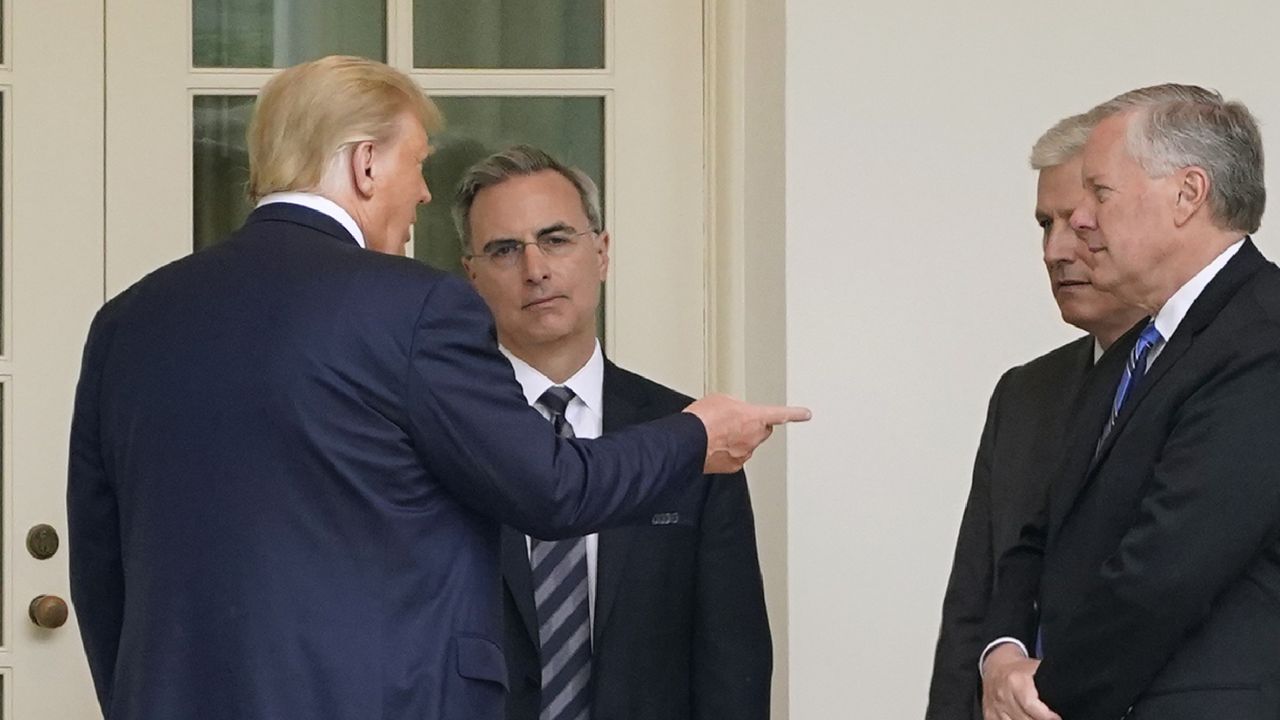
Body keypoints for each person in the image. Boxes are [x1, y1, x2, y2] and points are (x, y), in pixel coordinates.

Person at [66, 55, 807, 720]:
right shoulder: (414, 306)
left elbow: (102, 573)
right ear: (364, 166)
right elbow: (551, 489)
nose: (422, 193)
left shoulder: (128, 322)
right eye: (415, 163)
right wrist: (697, 435)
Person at [982, 84, 1280, 720]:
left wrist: (1043, 695)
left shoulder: (1264, 337)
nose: (1081, 218)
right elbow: (1040, 534)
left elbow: (1168, 569)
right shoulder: (1132, 351)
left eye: (1100, 191)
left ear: (1187, 194)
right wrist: (1002, 656)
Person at [451, 145, 772, 720]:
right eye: (504, 250)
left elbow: (733, 657)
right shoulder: (444, 433)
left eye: (556, 239)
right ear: (471, 275)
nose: (535, 269)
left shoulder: (692, 436)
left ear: (601, 252)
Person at [924, 114, 1143, 719]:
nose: (1055, 251)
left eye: (1079, 224)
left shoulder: (1227, 376)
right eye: (1046, 225)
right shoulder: (1026, 394)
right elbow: (975, 600)